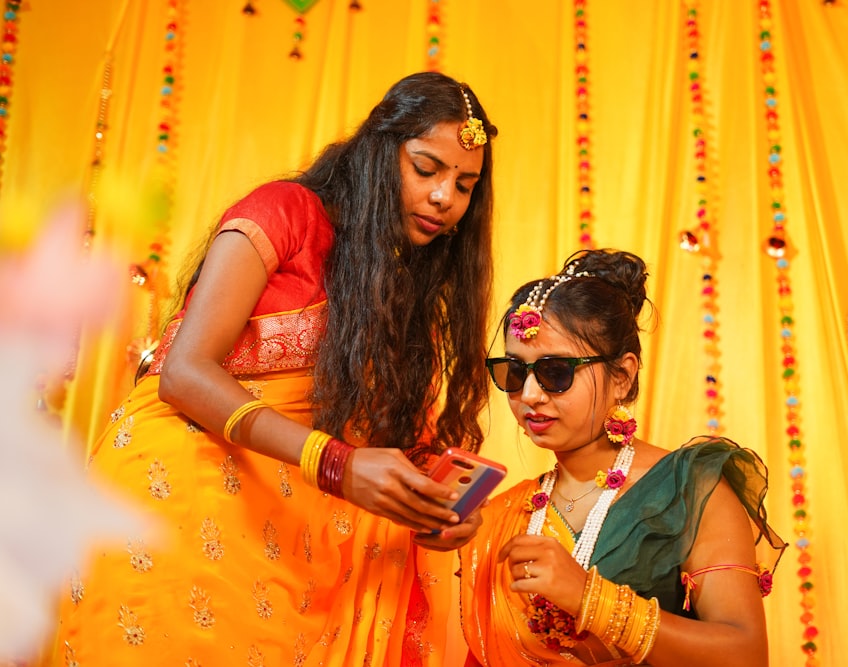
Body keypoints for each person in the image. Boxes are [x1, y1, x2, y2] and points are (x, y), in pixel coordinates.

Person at [41, 71, 498, 667]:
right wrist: (335, 464)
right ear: (380, 151)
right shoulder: (288, 213)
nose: (445, 197)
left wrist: (434, 506)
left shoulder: (407, 288)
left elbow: (385, 441)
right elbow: (184, 372)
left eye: (464, 185)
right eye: (426, 168)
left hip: (296, 546)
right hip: (182, 501)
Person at [459, 249, 786, 666]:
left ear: (622, 376)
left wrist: (588, 597)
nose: (529, 395)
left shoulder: (688, 489)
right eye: (514, 372)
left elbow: (744, 655)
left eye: (556, 372)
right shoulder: (504, 517)